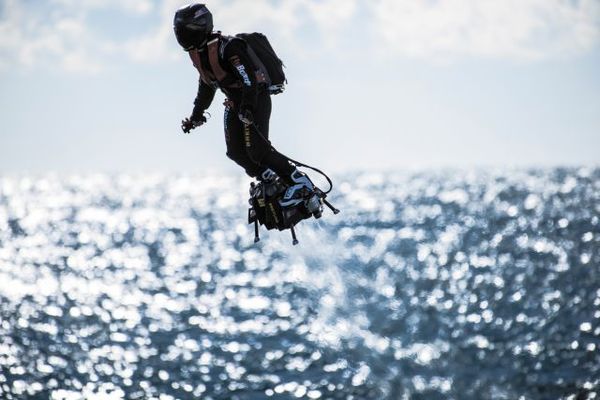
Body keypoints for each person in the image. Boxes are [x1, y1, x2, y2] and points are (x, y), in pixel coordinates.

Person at [173, 3, 314, 206]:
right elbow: (206, 85)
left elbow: (249, 79)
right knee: (235, 152)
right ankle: (269, 179)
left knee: (258, 150)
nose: (182, 37)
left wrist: (247, 107)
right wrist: (196, 116)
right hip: (235, 103)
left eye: (185, 32)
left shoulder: (229, 47)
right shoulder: (199, 53)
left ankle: (300, 182)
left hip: (255, 98)